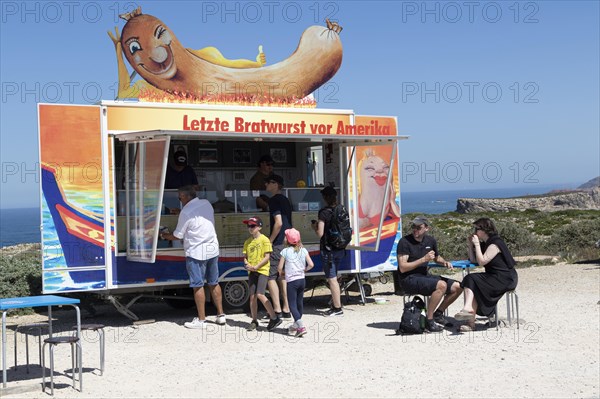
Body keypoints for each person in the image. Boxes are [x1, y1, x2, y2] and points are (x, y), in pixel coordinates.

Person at [160, 185, 226, 329]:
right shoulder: (206, 204)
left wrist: (164, 236)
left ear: (185, 197)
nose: (179, 200)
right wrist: (181, 212)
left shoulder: (186, 212)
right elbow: (197, 218)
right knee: (214, 282)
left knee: (198, 285)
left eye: (179, 198)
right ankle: (221, 315)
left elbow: (178, 235)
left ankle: (201, 320)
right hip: (212, 248)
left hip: (196, 251)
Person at [396, 216, 462, 332]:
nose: (415, 229)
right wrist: (423, 259)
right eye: (413, 227)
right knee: (441, 285)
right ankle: (429, 320)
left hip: (423, 276)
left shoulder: (430, 241)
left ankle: (438, 313)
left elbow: (436, 257)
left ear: (426, 228)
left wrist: (444, 262)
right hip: (408, 279)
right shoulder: (404, 242)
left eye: (419, 227)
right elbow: (402, 268)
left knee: (458, 287)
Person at [454, 218, 519, 331]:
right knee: (471, 280)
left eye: (477, 229)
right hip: (493, 276)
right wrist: (470, 245)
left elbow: (482, 261)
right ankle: (469, 317)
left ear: (484, 230)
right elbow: (474, 260)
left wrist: (477, 245)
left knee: (471, 279)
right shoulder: (486, 243)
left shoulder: (495, 243)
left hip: (505, 278)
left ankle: (469, 315)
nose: (475, 231)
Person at [242, 216, 282, 332]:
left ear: (259, 227)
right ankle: (254, 320)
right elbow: (245, 257)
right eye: (248, 226)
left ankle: (274, 317)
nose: (250, 228)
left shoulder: (264, 240)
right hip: (252, 272)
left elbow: (267, 257)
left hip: (262, 271)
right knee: (252, 297)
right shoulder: (247, 242)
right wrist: (247, 264)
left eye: (253, 226)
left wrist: (256, 267)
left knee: (260, 294)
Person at [313, 185, 344, 317]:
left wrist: (314, 226)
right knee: (335, 277)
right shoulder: (341, 209)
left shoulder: (324, 212)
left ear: (325, 198)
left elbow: (320, 233)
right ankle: (335, 303)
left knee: (331, 279)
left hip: (328, 250)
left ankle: (337, 308)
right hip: (340, 248)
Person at [265, 173, 292, 319]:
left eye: (269, 182)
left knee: (271, 276)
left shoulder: (274, 200)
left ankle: (277, 310)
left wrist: (270, 240)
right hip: (288, 242)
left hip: (278, 243)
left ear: (276, 184)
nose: (266, 185)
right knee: (283, 276)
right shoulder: (286, 199)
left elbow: (279, 222)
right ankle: (286, 308)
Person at [277, 228, 314, 337]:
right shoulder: (303, 250)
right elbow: (311, 264)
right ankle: (295, 325)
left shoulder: (285, 251)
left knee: (292, 304)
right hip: (302, 280)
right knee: (299, 303)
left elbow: (279, 267)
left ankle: (301, 326)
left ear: (287, 240)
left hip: (291, 281)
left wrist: (283, 273)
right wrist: (305, 270)